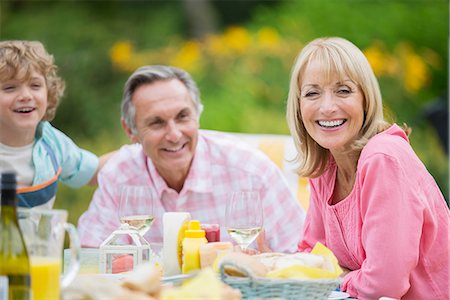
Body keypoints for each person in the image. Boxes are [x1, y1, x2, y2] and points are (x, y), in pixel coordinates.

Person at [286, 37, 449, 299]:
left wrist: (339, 278)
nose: (327, 107)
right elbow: (313, 256)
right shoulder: (326, 165)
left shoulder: (382, 159)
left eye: (343, 91)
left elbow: (383, 285)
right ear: (299, 106)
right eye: (312, 93)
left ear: (365, 99)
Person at [78, 65, 306, 253]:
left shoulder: (251, 170)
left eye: (183, 116)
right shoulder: (119, 176)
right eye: (156, 123)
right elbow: (91, 258)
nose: (174, 135)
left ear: (197, 114)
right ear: (130, 130)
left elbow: (302, 256)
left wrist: (269, 265)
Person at [0, 40, 113, 209]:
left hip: (41, 237)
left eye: (35, 85)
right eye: (10, 88)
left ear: (48, 92)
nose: (26, 96)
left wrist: (140, 150)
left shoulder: (51, 142)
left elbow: (94, 172)